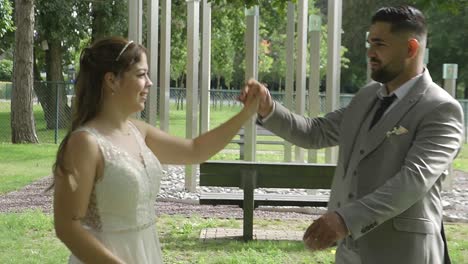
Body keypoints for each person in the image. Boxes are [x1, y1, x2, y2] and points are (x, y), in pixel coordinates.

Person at [241, 5, 463, 264]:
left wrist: (345, 219)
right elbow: (316, 132)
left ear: (411, 49)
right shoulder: (367, 96)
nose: (370, 52)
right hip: (349, 253)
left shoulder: (441, 108)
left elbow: (413, 180)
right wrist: (269, 108)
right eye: (369, 43)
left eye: (379, 44)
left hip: (404, 253)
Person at [52, 36, 259, 264]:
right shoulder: (85, 143)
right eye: (141, 75)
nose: (149, 82)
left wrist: (246, 113)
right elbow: (67, 226)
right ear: (112, 80)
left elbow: (195, 150)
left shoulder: (139, 132)